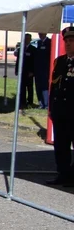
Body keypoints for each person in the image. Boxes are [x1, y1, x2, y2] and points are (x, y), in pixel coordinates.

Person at [47, 27, 74, 187]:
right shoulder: (60, 61)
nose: (69, 44)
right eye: (67, 41)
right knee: (61, 146)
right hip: (60, 111)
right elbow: (54, 87)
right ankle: (63, 174)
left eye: (72, 41)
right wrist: (51, 108)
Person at [14, 33, 34, 108]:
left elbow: (34, 62)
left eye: (28, 39)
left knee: (29, 87)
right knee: (22, 87)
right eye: (25, 39)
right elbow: (18, 60)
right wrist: (16, 70)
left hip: (29, 72)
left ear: (30, 40)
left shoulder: (33, 49)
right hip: (21, 71)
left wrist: (32, 71)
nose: (26, 40)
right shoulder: (20, 49)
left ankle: (30, 101)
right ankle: (22, 101)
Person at [34, 32, 52, 109]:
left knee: (45, 87)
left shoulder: (49, 42)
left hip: (45, 69)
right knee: (38, 87)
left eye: (42, 33)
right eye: (39, 33)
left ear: (45, 33)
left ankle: (46, 104)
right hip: (38, 69)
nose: (40, 35)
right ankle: (40, 103)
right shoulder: (38, 42)